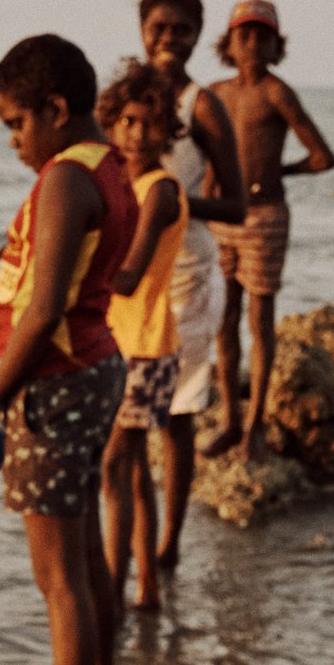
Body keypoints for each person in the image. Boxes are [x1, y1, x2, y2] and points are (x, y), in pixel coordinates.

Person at [0, 34, 137, 665]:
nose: (12, 142)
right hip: (93, 370)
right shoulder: (109, 167)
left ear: (56, 110)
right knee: (86, 551)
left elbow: (44, 310)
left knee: (57, 577)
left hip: (56, 382)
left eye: (16, 123)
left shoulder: (66, 178)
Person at [135, 0, 247, 562]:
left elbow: (236, 206)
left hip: (186, 278)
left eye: (182, 29)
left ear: (199, 35)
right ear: (141, 30)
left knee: (176, 417)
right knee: (125, 420)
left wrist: (172, 203)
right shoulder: (129, 101)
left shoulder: (201, 105)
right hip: (131, 279)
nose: (170, 39)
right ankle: (128, 544)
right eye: (159, 27)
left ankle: (169, 544)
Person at [204, 0, 334, 460]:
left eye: (263, 36)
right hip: (223, 217)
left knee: (259, 322)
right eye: (245, 35)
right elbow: (207, 161)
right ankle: (228, 422)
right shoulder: (216, 94)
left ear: (276, 45)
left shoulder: (277, 93)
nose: (253, 43)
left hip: (264, 217)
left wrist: (284, 173)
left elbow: (323, 157)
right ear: (229, 43)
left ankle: (254, 427)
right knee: (223, 320)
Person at [96, 61, 187, 616]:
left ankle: (113, 585)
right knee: (131, 471)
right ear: (110, 124)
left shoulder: (160, 191)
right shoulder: (115, 185)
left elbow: (128, 275)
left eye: (151, 125)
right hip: (117, 341)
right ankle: (146, 588)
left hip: (146, 346)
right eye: (128, 121)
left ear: (169, 133)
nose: (137, 134)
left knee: (115, 466)